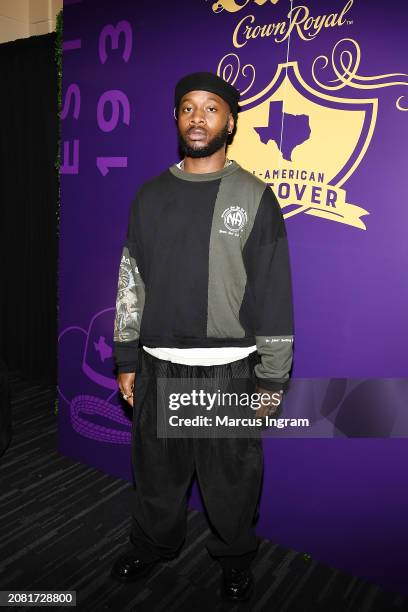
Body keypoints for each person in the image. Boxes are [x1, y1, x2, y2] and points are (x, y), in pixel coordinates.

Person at [110, 71, 294, 602]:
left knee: (232, 482)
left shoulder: (255, 197)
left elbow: (274, 293)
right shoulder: (149, 196)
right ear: (175, 119)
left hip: (230, 371)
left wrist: (272, 377)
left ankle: (235, 559)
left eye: (211, 108)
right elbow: (130, 282)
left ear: (230, 121)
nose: (198, 117)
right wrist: (126, 356)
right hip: (157, 363)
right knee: (157, 477)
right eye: (188, 107)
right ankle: (151, 545)